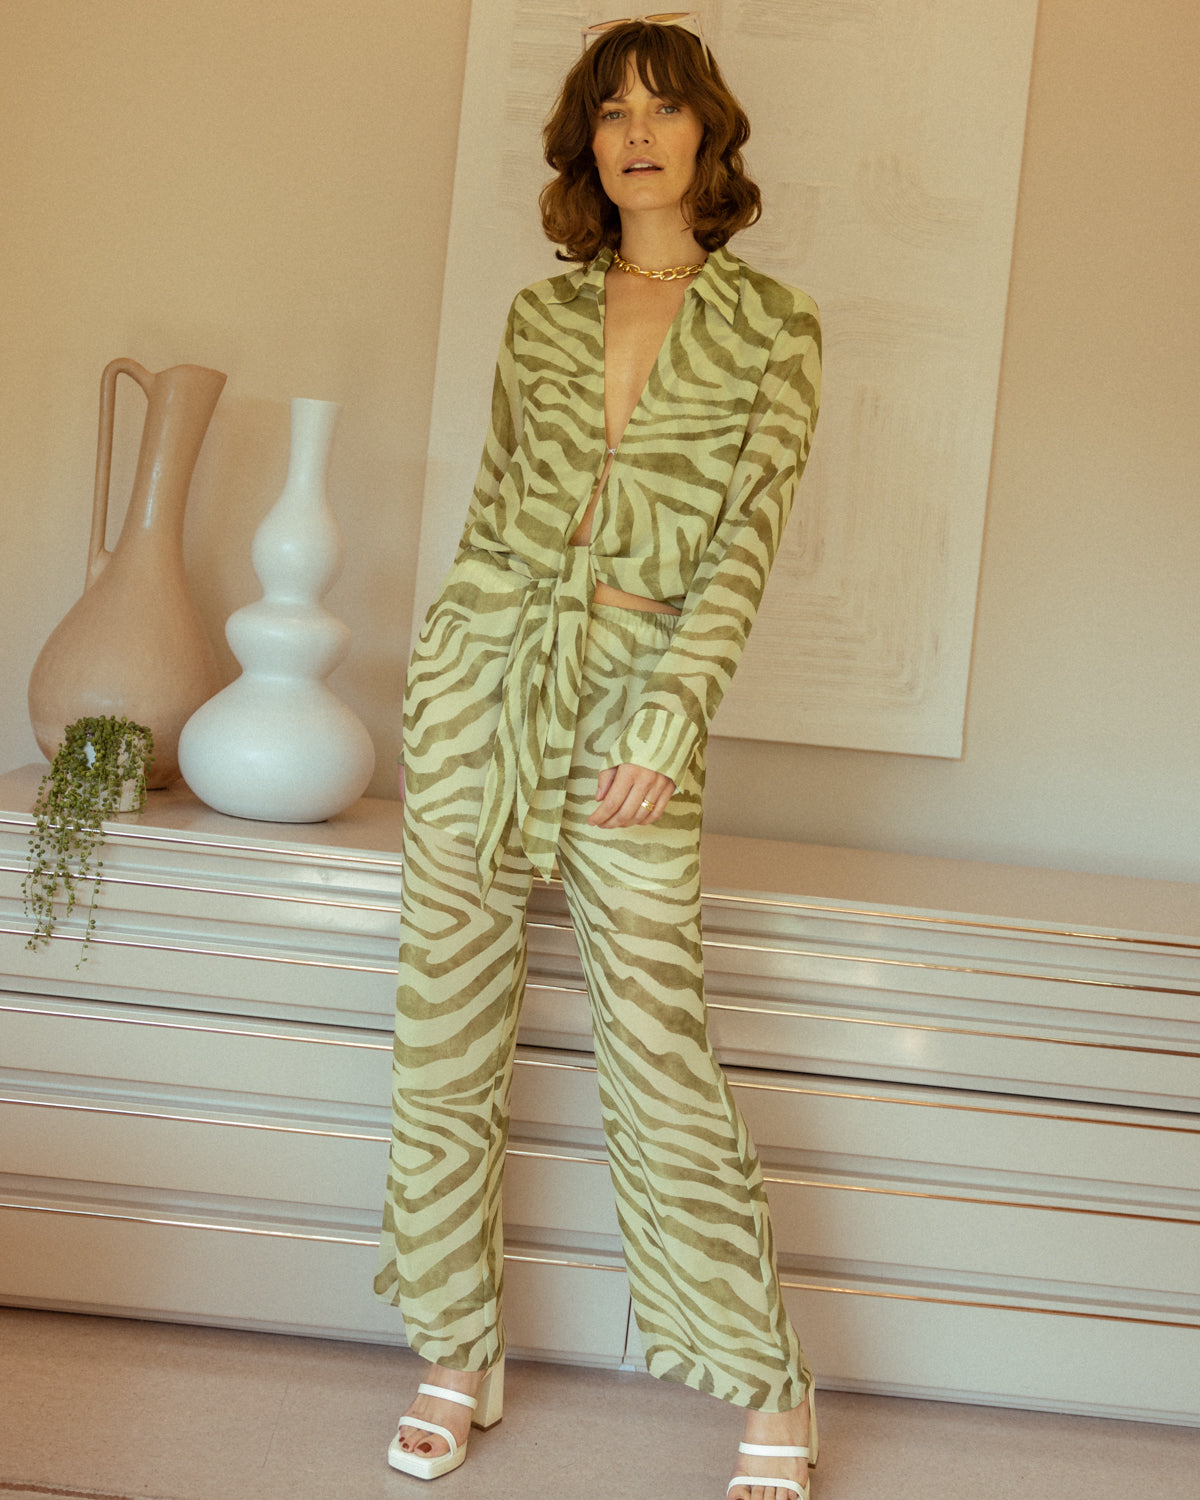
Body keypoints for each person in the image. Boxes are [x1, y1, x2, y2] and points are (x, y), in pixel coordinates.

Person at [375, 15, 822, 1499]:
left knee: (657, 1040)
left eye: (664, 107)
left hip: (636, 690)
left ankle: (767, 1380)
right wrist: (446, 677)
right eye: (612, 108)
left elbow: (745, 547)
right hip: (484, 677)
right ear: (588, 141)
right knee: (445, 1024)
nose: (637, 131)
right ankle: (454, 1348)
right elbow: (494, 503)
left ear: (708, 134)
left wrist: (671, 713)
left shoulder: (777, 329)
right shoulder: (539, 315)